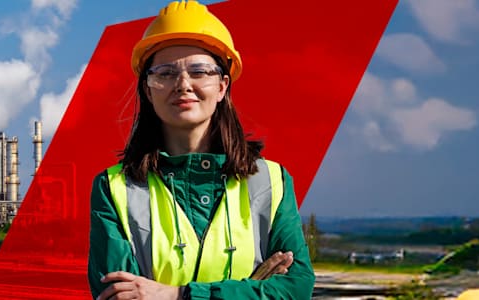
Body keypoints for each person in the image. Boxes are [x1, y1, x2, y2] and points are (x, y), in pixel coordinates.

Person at [87, 1, 312, 299]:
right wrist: (252, 287)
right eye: (165, 73)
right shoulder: (114, 188)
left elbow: (296, 289)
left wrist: (175, 294)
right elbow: (117, 295)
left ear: (222, 86)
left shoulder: (271, 181)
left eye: (199, 71)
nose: (183, 84)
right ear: (148, 89)